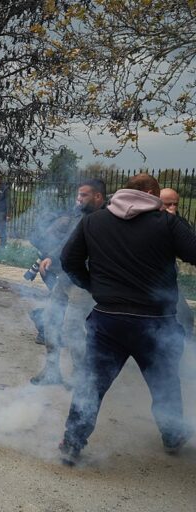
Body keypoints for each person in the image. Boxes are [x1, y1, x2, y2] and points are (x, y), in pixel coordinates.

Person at [59, 173, 195, 465]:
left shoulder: (93, 221)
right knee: (165, 384)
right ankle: (172, 436)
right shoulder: (166, 223)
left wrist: (93, 286)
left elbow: (68, 260)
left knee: (92, 384)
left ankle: (72, 441)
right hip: (155, 322)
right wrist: (173, 220)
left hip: (108, 319)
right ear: (151, 193)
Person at [30, 179, 105, 386]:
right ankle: (52, 371)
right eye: (78, 195)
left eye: (83, 195)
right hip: (65, 278)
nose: (78, 199)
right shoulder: (78, 216)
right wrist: (52, 257)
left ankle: (81, 378)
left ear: (98, 196)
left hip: (85, 283)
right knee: (51, 322)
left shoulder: (106, 220)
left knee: (73, 329)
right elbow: (68, 244)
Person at [158, 188, 194, 342]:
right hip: (147, 282)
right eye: (168, 204)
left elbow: (189, 246)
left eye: (176, 204)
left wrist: (173, 221)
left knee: (185, 317)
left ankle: (185, 351)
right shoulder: (148, 221)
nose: (173, 208)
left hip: (168, 283)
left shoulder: (178, 222)